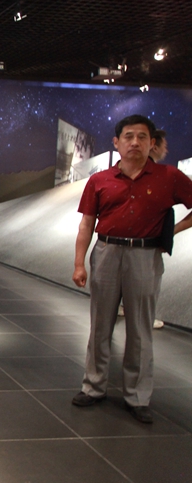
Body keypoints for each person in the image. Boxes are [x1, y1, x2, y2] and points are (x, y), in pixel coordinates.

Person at [71, 115, 192, 424]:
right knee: (100, 324)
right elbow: (86, 223)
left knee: (140, 328)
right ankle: (93, 386)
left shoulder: (169, 176)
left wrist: (172, 232)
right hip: (106, 252)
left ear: (152, 143)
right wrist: (79, 263)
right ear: (117, 142)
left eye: (142, 137)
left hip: (146, 256)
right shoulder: (100, 180)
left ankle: (137, 396)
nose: (135, 142)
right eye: (128, 136)